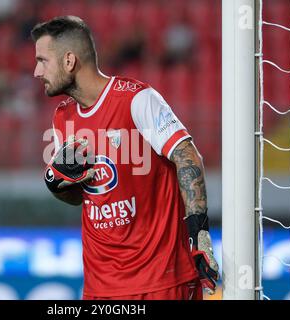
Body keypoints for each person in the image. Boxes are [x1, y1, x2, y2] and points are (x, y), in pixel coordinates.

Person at [31, 16, 219, 300]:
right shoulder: (62, 117)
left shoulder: (136, 99)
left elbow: (187, 156)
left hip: (161, 281)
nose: (36, 71)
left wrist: (199, 233)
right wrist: (59, 184)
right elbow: (82, 194)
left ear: (69, 61)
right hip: (100, 288)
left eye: (43, 60)